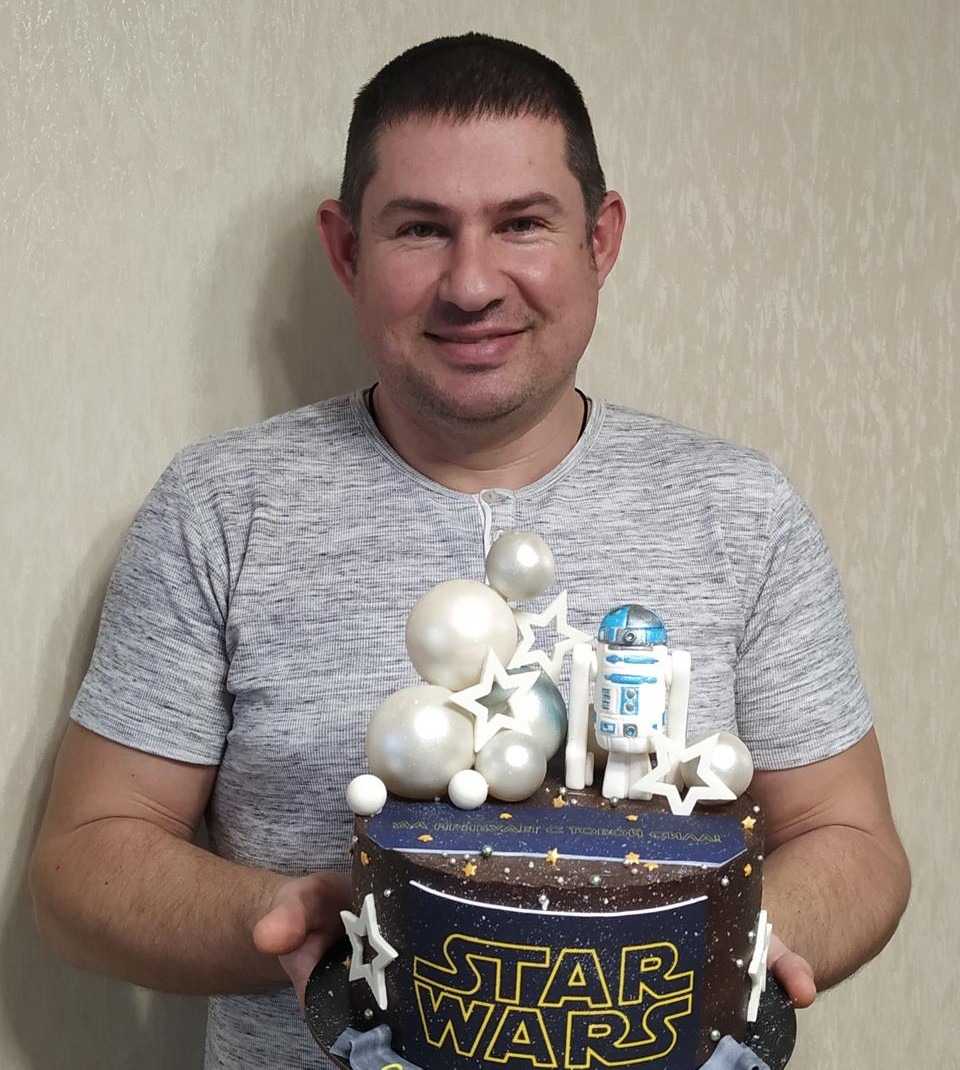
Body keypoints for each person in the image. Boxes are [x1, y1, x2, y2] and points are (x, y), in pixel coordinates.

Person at [29, 32, 910, 1070]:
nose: (472, 283)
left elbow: (854, 841)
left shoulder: (742, 510)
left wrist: (715, 938)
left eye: (523, 223)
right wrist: (304, 918)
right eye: (421, 229)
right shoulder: (220, 506)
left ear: (601, 240)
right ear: (347, 251)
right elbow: (83, 865)